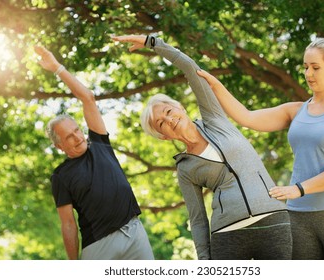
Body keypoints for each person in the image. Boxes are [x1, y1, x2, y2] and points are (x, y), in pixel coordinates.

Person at [197, 37, 324, 259]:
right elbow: (246, 117)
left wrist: (299, 189)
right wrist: (216, 87)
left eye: (315, 67)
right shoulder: (296, 111)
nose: (308, 74)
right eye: (306, 67)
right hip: (297, 217)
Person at [112, 34, 292, 260]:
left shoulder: (214, 118)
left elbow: (190, 68)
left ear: (180, 108)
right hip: (227, 234)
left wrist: (152, 43)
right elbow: (197, 219)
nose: (169, 120)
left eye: (168, 111)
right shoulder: (185, 169)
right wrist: (205, 261)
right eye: (161, 123)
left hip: (272, 218)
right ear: (163, 136)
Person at [35, 45, 154, 260]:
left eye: (77, 130)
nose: (78, 137)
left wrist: (56, 68)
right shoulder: (61, 176)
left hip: (134, 233)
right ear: (59, 146)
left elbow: (87, 97)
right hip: (99, 246)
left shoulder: (99, 143)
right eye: (69, 137)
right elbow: (68, 224)